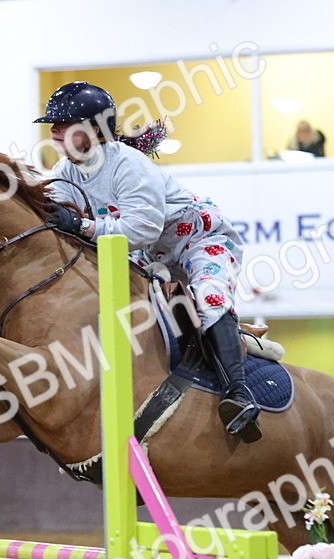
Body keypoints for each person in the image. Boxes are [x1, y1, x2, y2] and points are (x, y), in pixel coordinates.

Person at [35, 81, 261, 441]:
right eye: (54, 124)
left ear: (94, 129)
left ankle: (239, 394)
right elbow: (57, 217)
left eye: (66, 123)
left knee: (208, 298)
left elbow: (141, 228)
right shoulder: (65, 171)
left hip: (199, 239)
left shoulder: (128, 164)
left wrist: (81, 224)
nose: (55, 130)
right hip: (148, 254)